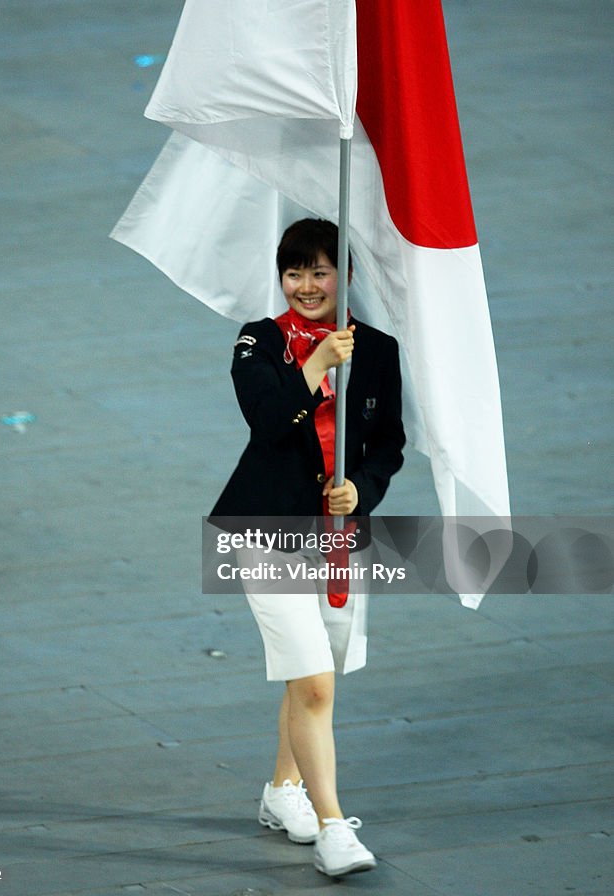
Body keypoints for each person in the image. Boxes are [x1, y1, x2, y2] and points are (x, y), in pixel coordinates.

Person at [211, 218, 405, 877]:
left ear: (344, 276)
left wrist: (364, 491)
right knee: (316, 684)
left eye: (320, 271)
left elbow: (388, 446)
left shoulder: (376, 350)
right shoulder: (257, 343)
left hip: (337, 538)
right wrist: (316, 363)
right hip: (262, 534)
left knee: (313, 672)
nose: (305, 285)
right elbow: (266, 424)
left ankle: (280, 790)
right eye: (293, 272)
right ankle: (331, 829)